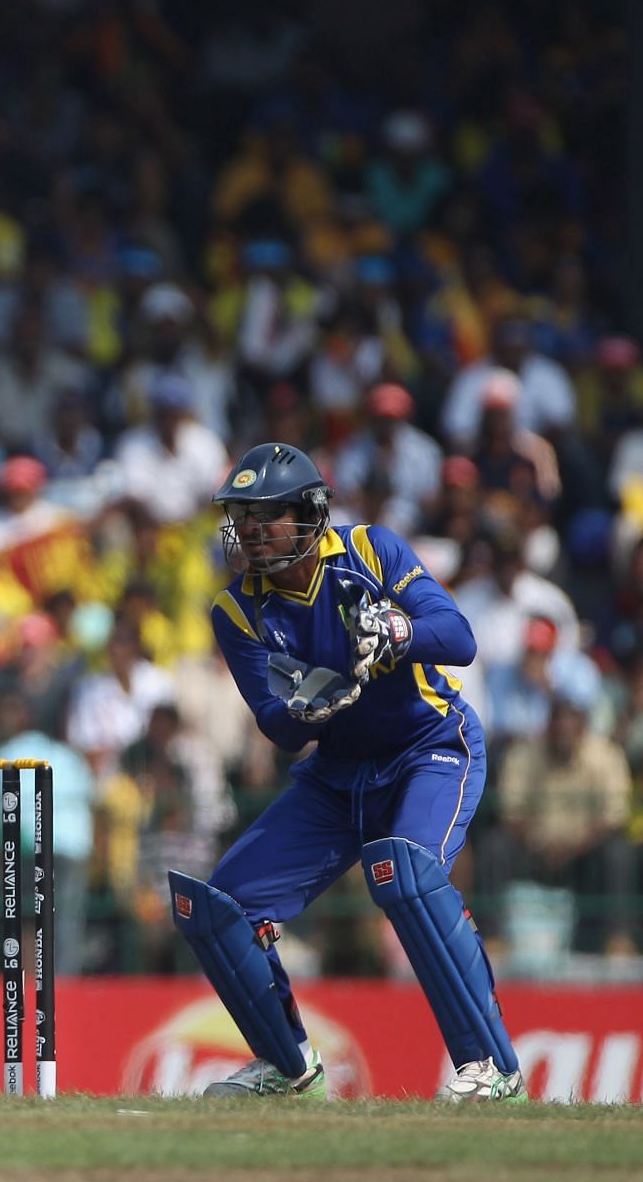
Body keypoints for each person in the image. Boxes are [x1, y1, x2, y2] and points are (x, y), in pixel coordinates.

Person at [169, 442, 524, 1102]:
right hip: (337, 774)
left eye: (264, 515)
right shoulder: (237, 609)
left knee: (406, 873)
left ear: (309, 513)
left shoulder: (370, 550)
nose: (247, 531)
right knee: (221, 906)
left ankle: (491, 1064)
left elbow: (459, 636)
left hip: (431, 745)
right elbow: (274, 726)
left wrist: (398, 629)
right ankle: (289, 1066)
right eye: (240, 517)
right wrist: (307, 711)